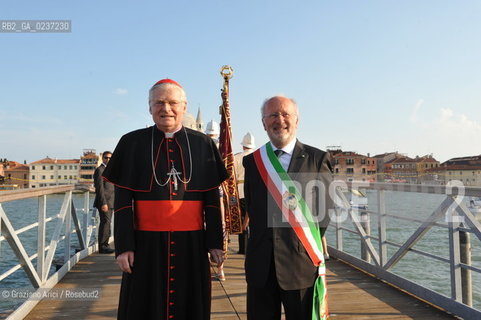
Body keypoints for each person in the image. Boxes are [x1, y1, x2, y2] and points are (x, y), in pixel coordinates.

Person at [102, 79, 228, 320]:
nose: (166, 108)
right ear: (150, 107)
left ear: (184, 107)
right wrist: (124, 246)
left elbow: (211, 198)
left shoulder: (203, 143)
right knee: (143, 306)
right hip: (144, 243)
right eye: (159, 102)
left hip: (192, 242)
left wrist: (215, 242)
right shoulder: (131, 142)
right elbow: (124, 201)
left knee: (190, 304)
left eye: (173, 102)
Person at [243, 96, 333, 320]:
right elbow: (253, 207)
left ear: (297, 120)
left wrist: (303, 244)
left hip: (300, 263)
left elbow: (324, 212)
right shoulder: (253, 161)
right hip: (260, 264)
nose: (279, 120)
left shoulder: (317, 158)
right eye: (272, 115)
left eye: (285, 114)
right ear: (263, 123)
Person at [205, 119, 226, 281]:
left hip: (203, 191)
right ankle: (220, 269)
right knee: (220, 227)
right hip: (219, 191)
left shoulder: (200, 145)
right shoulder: (225, 148)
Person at [234, 132, 256, 254]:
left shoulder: (236, 157)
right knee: (254, 220)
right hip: (255, 190)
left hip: (240, 191)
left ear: (243, 146)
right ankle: (253, 247)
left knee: (242, 220)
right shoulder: (257, 156)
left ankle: (243, 248)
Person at [93, 151, 115, 254]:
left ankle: (106, 245)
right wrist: (103, 203)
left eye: (110, 158)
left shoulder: (111, 170)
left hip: (112, 201)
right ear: (102, 158)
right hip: (105, 202)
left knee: (108, 223)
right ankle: (102, 247)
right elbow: (99, 188)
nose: (108, 160)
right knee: (105, 223)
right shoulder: (100, 170)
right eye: (106, 158)